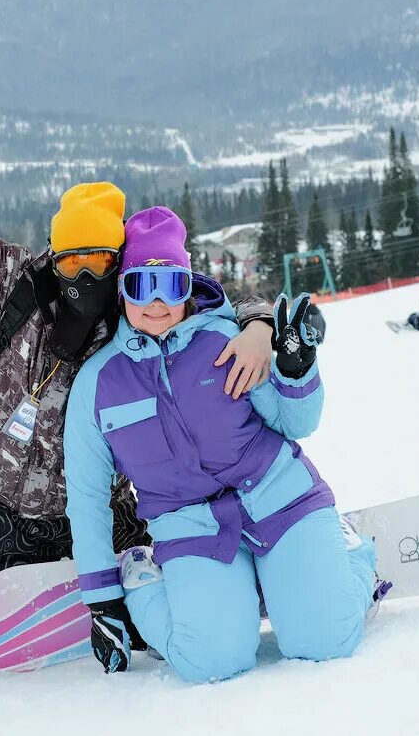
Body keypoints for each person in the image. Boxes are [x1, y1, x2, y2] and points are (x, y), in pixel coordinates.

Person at [0, 77, 274, 659]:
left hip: (104, 502)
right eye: (72, 260)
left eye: (101, 260)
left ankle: (261, 559)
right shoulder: (18, 291)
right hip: (4, 499)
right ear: (54, 256)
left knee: (159, 612)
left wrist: (259, 325)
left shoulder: (135, 313)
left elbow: (207, 304)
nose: (85, 277)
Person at [65, 207, 387, 681]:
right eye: (141, 286)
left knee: (325, 640)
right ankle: (144, 575)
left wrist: (295, 371)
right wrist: (102, 598)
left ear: (187, 286)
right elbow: (88, 496)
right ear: (121, 290)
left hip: (281, 499)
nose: (157, 304)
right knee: (210, 663)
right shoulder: (98, 384)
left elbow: (296, 422)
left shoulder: (225, 338)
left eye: (171, 286)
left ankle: (350, 552)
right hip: (190, 525)